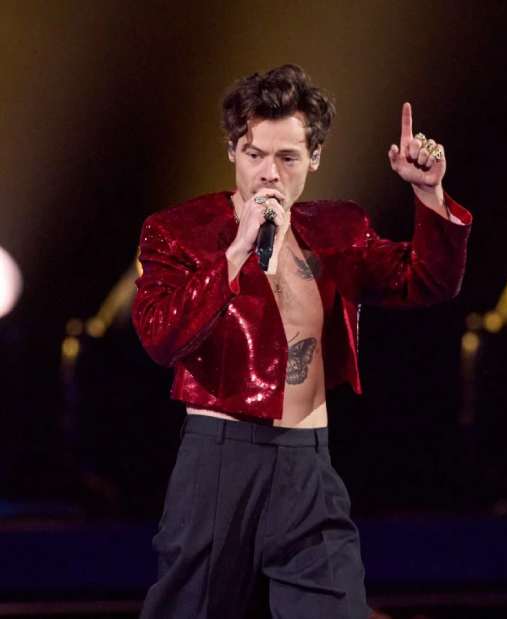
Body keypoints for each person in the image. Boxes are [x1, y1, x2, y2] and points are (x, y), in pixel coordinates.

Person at [132, 64, 471, 618]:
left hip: (307, 464)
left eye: (287, 157)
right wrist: (235, 253)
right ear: (232, 152)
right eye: (254, 154)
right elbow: (158, 337)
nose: (269, 173)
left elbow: (427, 281)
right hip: (219, 461)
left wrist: (429, 195)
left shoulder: (340, 230)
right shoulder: (179, 231)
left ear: (313, 158)